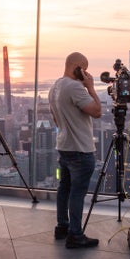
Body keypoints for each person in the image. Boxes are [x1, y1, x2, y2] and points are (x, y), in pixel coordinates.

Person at [48, 52, 102, 248]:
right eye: (84, 69)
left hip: (64, 145)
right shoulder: (75, 87)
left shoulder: (55, 86)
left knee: (64, 188)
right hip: (80, 148)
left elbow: (55, 119)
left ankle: (62, 226)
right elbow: (97, 111)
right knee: (77, 192)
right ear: (77, 67)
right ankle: (75, 235)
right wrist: (91, 88)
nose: (86, 73)